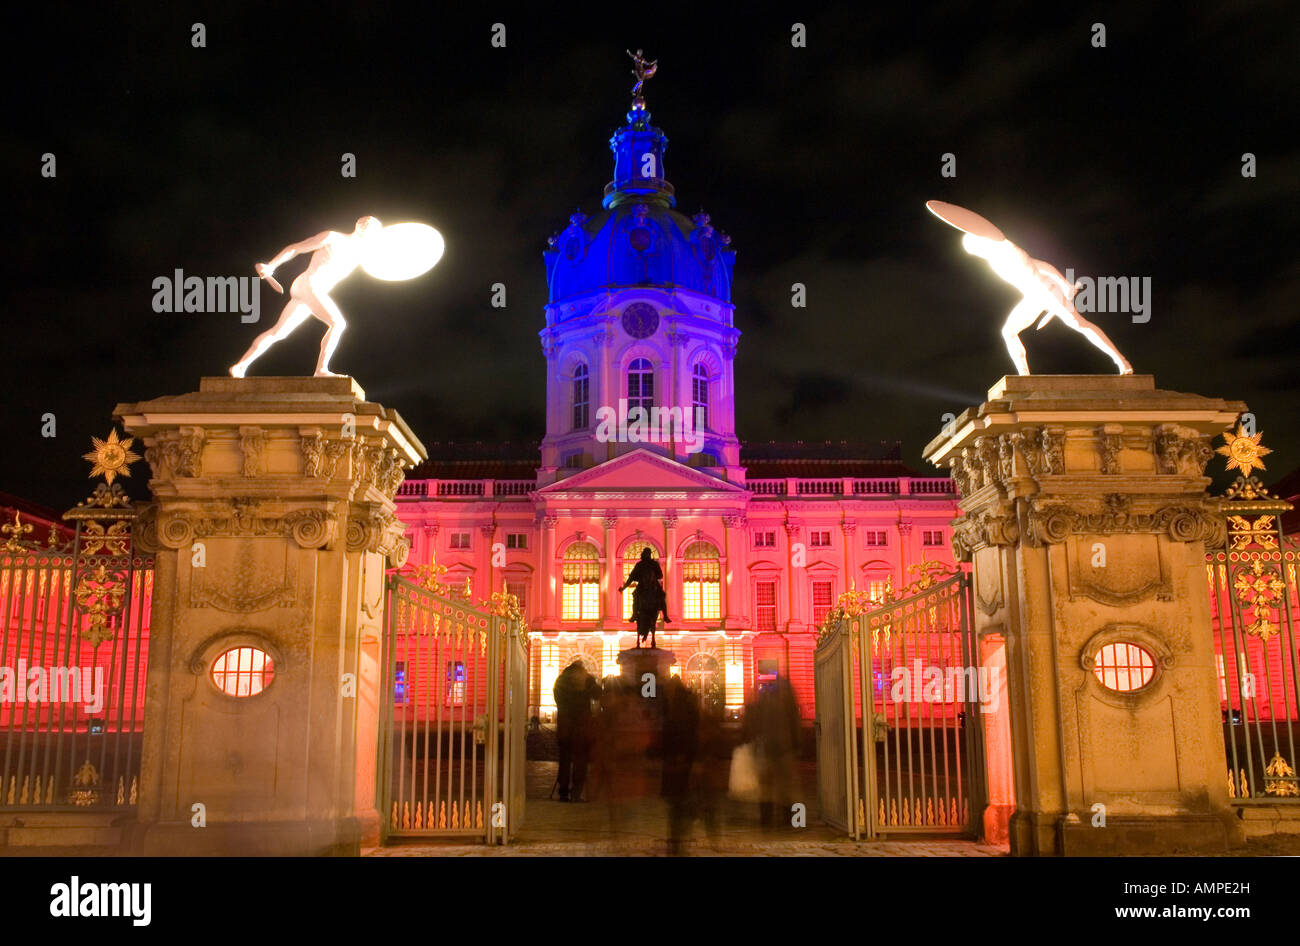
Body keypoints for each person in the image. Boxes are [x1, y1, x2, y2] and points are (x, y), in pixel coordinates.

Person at [230, 216, 385, 378]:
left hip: (308, 288)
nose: (367, 227)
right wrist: (271, 265)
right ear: (359, 225)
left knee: (278, 332)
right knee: (338, 323)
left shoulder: (360, 255)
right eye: (367, 224)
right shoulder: (333, 237)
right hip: (310, 284)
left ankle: (239, 366)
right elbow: (295, 248)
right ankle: (321, 370)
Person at [742, 678, 801, 831]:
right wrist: (796, 745)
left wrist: (753, 743)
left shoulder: (763, 704)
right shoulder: (788, 704)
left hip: (767, 749)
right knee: (785, 788)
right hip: (783, 749)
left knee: (766, 788)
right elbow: (795, 725)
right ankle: (790, 820)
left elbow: (752, 724)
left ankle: (766, 820)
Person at [553, 660, 601, 802]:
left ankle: (563, 792)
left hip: (565, 726)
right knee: (580, 760)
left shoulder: (561, 681)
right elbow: (598, 694)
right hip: (581, 726)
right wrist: (592, 680)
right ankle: (576, 793)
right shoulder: (586, 680)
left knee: (564, 760)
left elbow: (557, 699)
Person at [619, 547, 669, 647]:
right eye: (645, 554)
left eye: (647, 554)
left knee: (662, 596)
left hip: (653, 584)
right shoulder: (640, 565)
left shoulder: (654, 564)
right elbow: (631, 577)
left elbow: (660, 575)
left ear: (649, 555)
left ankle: (665, 615)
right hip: (642, 586)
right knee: (635, 596)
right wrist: (624, 587)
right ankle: (634, 614)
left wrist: (654, 576)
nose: (646, 555)